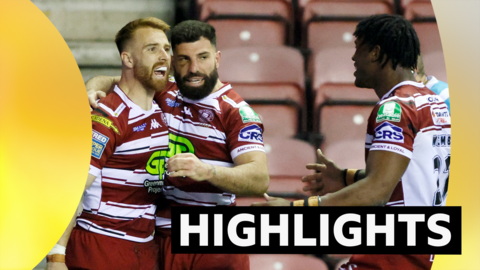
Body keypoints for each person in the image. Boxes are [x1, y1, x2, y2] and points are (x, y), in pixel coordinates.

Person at [253, 14, 451, 270]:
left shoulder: (394, 109)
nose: (353, 58)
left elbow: (378, 191)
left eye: (358, 49)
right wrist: (345, 177)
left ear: (376, 53)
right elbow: (410, 179)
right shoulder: (436, 103)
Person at [86, 20, 269, 270]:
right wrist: (91, 88)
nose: (193, 68)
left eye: (202, 57)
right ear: (173, 62)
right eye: (183, 59)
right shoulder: (165, 91)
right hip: (158, 237)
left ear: (217, 58)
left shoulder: (235, 111)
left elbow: (260, 177)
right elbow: (116, 79)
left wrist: (208, 171)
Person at [47, 17, 172, 270]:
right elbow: (70, 189)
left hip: (145, 249)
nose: (164, 56)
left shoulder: (162, 107)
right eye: (152, 49)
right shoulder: (107, 119)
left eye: (167, 49)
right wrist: (56, 256)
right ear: (127, 59)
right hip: (100, 247)